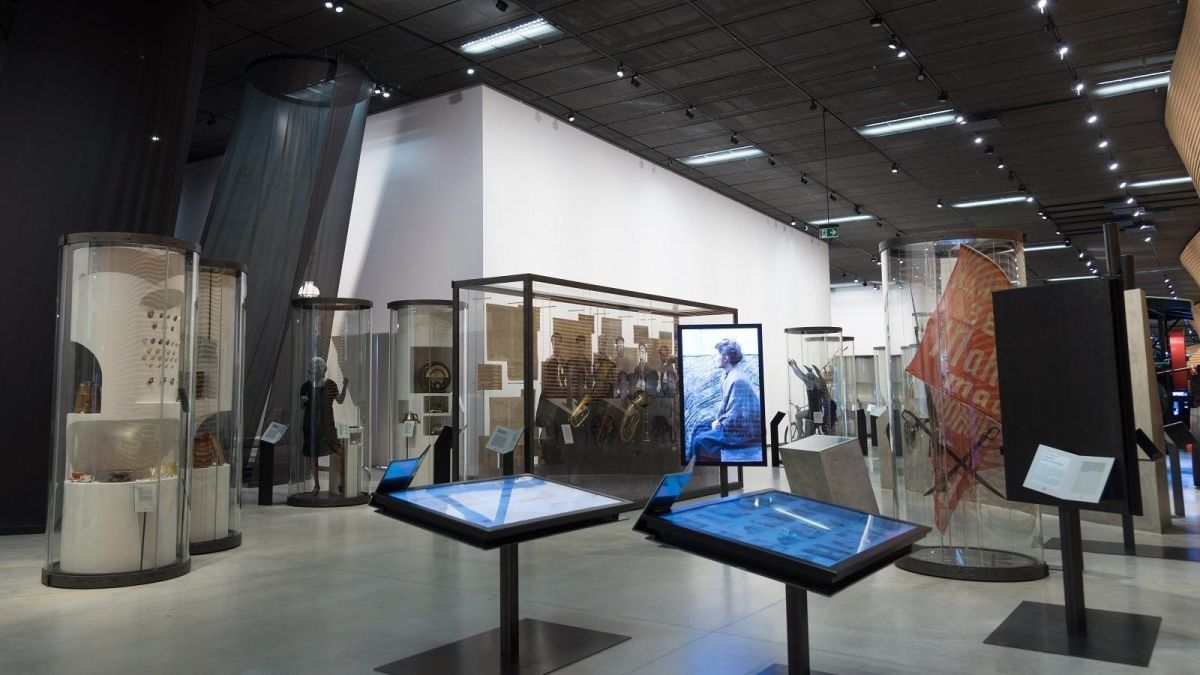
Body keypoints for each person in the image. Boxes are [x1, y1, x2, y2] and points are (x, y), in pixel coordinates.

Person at [689, 338, 761, 462]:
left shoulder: (738, 379)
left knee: (698, 441)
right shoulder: (728, 374)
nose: (714, 358)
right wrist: (718, 421)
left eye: (717, 354)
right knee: (699, 428)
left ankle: (696, 469)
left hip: (742, 432)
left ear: (726, 358)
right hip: (735, 425)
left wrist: (719, 423)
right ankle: (691, 468)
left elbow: (735, 415)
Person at [300, 357, 348, 496]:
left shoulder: (331, 384)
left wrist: (345, 386)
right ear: (311, 370)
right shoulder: (306, 386)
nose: (317, 370)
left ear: (324, 369)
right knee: (312, 454)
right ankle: (316, 485)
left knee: (337, 450)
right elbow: (301, 406)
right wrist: (302, 401)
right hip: (311, 424)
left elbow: (340, 400)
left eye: (319, 367)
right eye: (314, 367)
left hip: (327, 424)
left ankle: (342, 482)